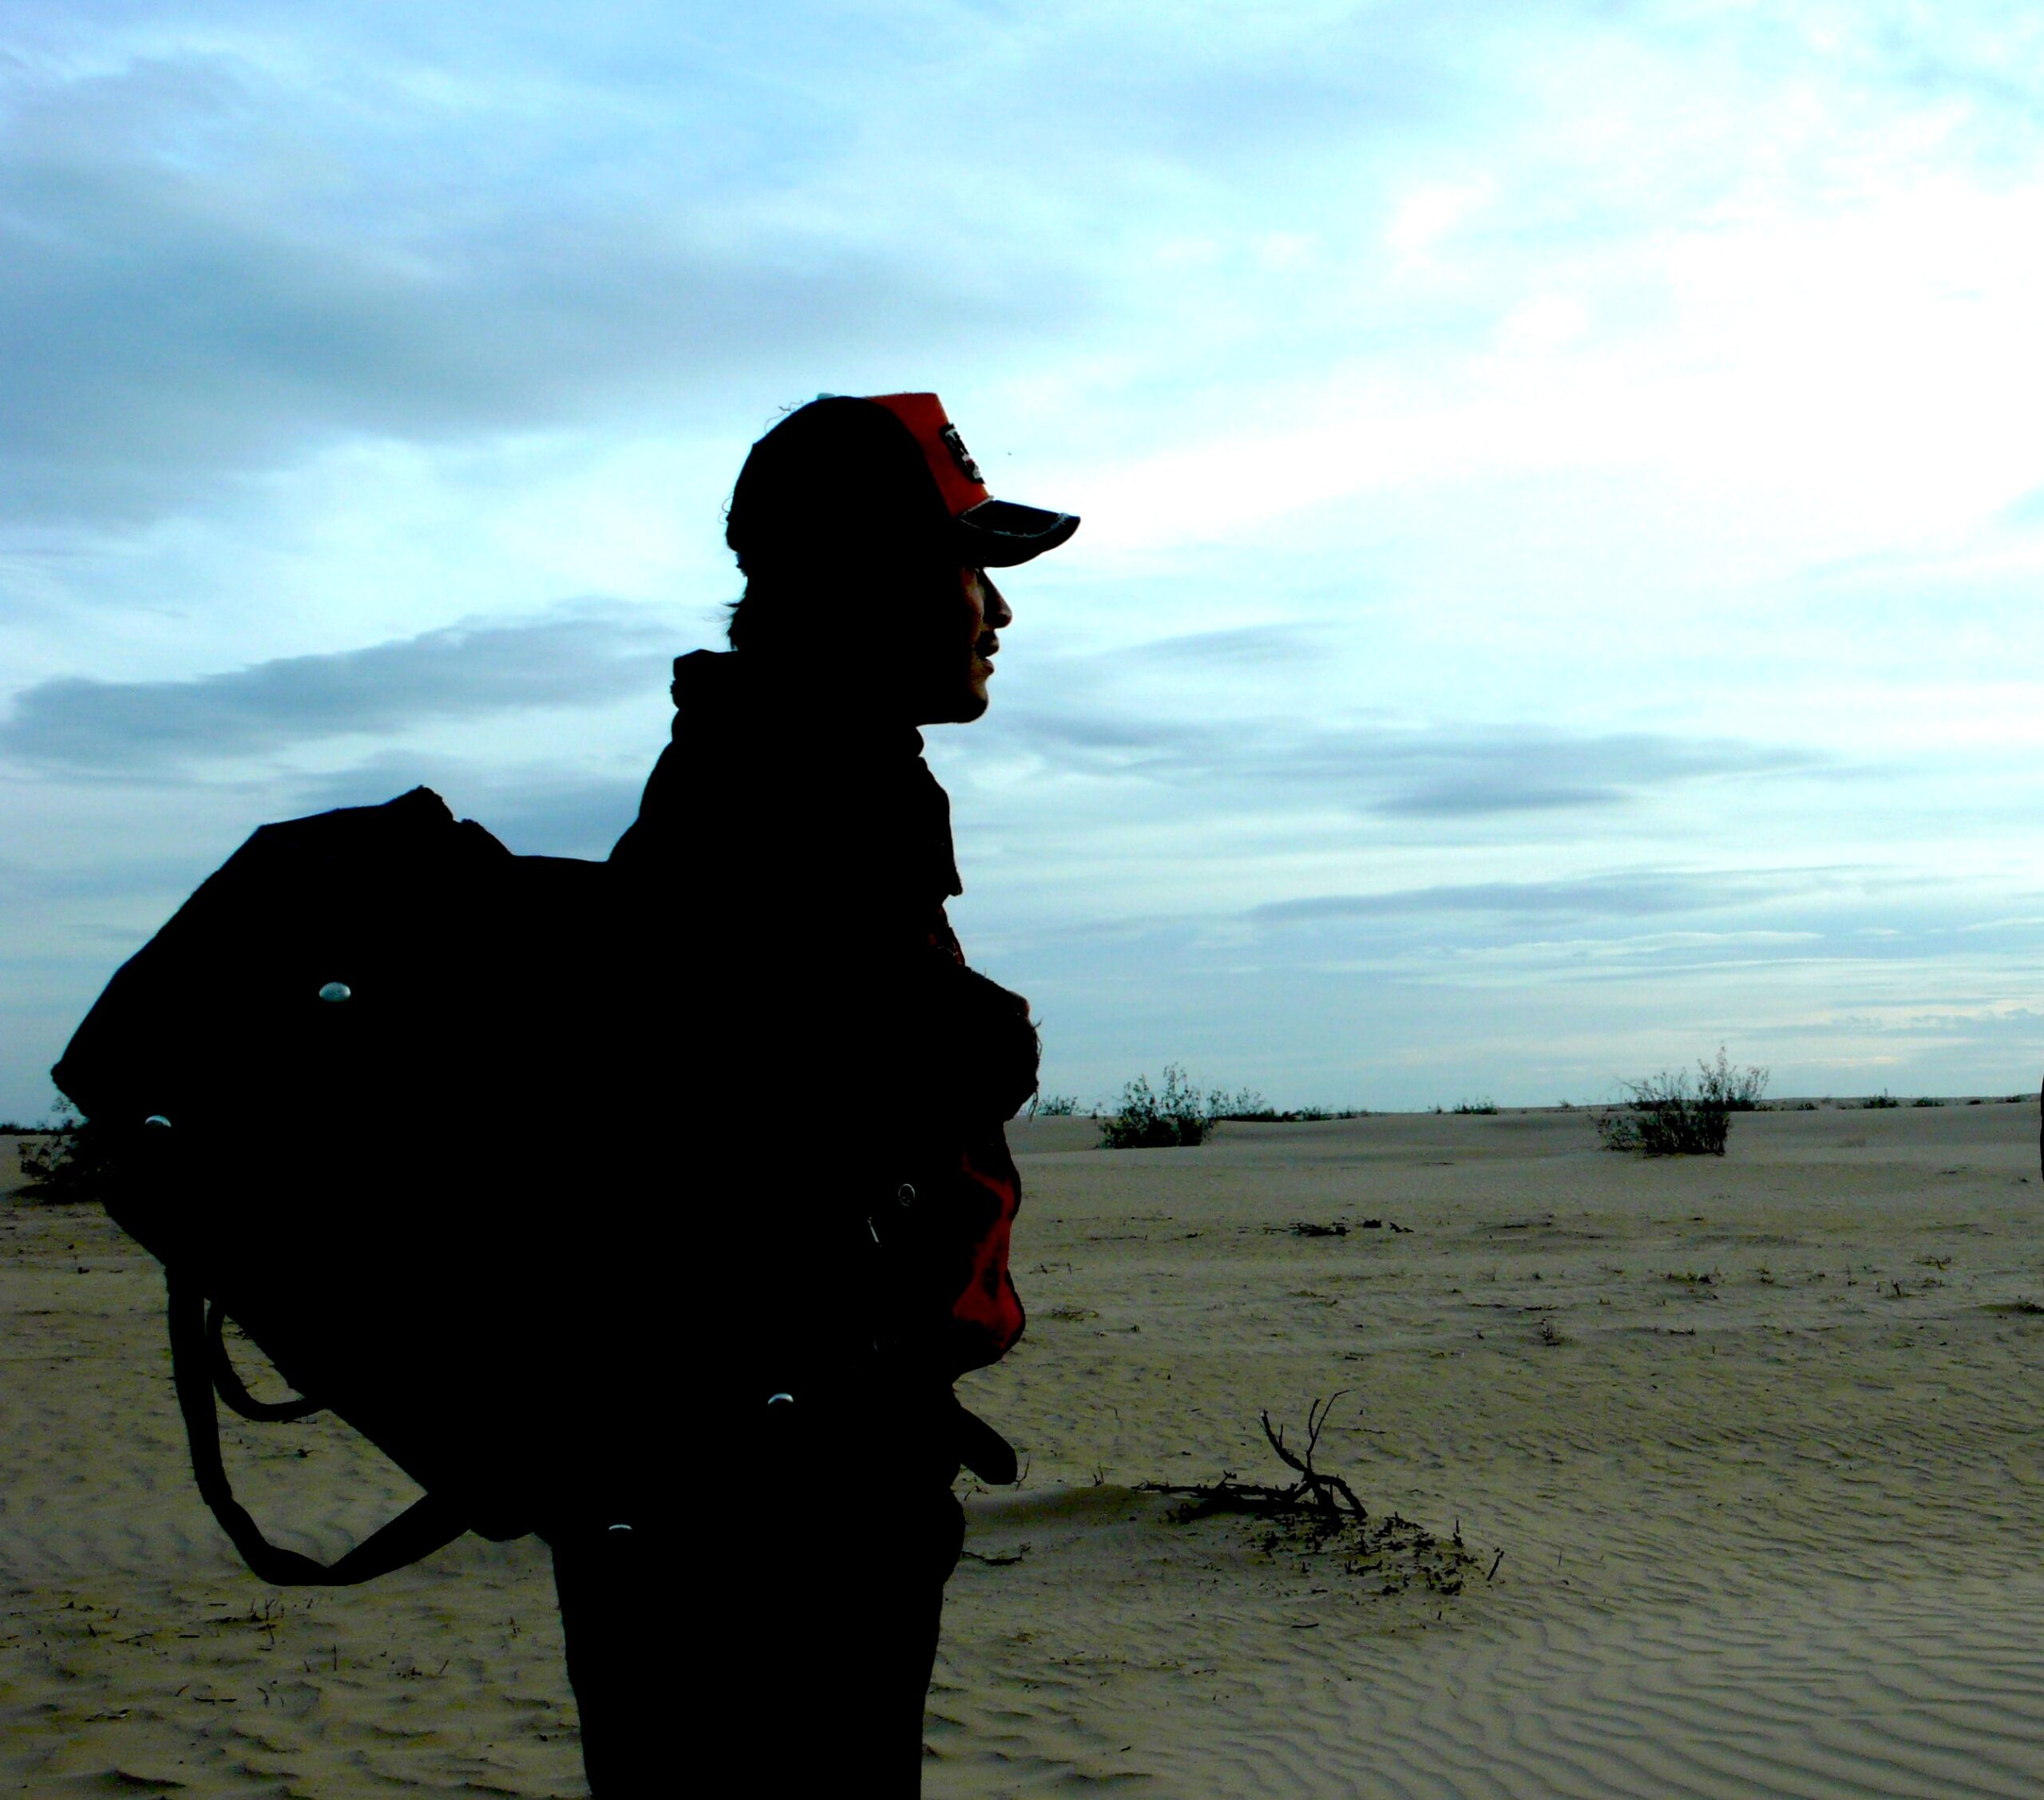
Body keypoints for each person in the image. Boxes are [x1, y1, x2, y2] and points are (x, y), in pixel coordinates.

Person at [544, 393, 1079, 1796]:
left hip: (757, 1460)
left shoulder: (796, 772)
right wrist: (967, 1049)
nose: (997, 613)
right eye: (969, 571)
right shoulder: (785, 789)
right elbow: (747, 1130)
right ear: (865, 581)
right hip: (761, 1487)